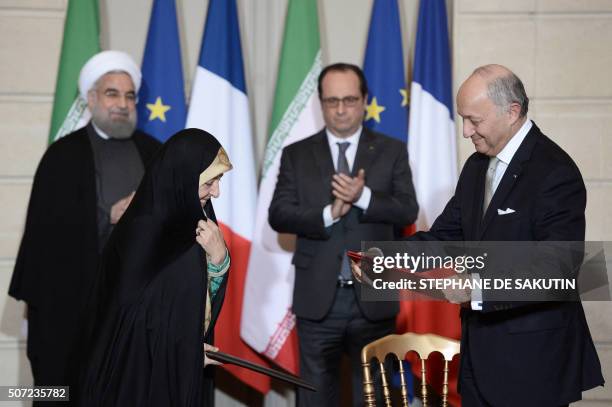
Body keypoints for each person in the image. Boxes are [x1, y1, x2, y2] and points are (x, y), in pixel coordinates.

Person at [353, 64, 604, 406]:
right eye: (463, 119)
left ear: (512, 111)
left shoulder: (555, 171)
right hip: (478, 358)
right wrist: (386, 257)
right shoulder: (476, 166)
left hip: (532, 363)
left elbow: (558, 270)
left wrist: (476, 287)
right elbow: (445, 237)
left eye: (475, 120)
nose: (466, 131)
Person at [8, 50, 160, 397]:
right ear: (91, 100)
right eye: (112, 93)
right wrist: (109, 217)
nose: (122, 103)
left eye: (129, 95)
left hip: (138, 309)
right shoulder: (62, 156)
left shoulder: (154, 153)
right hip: (73, 307)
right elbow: (47, 237)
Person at [268, 63, 418, 406]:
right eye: (331, 100)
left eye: (349, 100)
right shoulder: (297, 154)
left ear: (365, 100)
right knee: (315, 397)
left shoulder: (391, 150)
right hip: (318, 300)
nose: (340, 109)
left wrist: (361, 197)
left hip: (373, 299)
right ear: (320, 102)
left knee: (375, 397)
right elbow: (278, 214)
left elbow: (408, 210)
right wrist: (327, 213)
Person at [78, 128, 231, 406]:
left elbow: (193, 306)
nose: (217, 192)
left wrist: (219, 260)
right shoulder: (141, 232)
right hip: (132, 382)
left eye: (219, 180)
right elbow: (128, 322)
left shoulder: (201, 222)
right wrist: (184, 349)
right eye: (210, 182)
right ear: (183, 178)